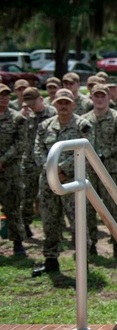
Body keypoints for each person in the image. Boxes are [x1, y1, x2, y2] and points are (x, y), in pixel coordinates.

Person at [33, 89, 94, 276]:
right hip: (49, 183)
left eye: (67, 102)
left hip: (73, 183)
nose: (63, 106)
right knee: (50, 222)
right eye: (60, 102)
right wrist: (51, 170)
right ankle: (51, 260)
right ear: (54, 104)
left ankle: (83, 262)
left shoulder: (83, 125)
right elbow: (38, 151)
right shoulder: (45, 126)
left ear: (74, 104)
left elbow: (86, 152)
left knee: (78, 223)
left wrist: (61, 169)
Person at [81, 83, 117, 260]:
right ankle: (90, 243)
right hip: (89, 172)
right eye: (96, 96)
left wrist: (100, 155)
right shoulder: (83, 120)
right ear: (91, 97)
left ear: (109, 98)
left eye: (103, 96)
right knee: (87, 209)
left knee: (114, 208)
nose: (100, 99)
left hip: (111, 171)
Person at [19, 87, 55, 237]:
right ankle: (26, 224)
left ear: (41, 99)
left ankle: (55, 228)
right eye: (28, 105)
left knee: (51, 198)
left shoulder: (53, 114)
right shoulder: (26, 117)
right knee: (28, 195)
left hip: (50, 162)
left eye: (33, 103)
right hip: (30, 163)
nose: (32, 107)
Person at [0, 84, 29, 257]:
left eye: (6, 95)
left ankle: (18, 243)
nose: (3, 97)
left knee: (13, 208)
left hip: (11, 171)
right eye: (0, 95)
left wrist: (2, 160)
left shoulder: (18, 118)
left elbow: (20, 144)